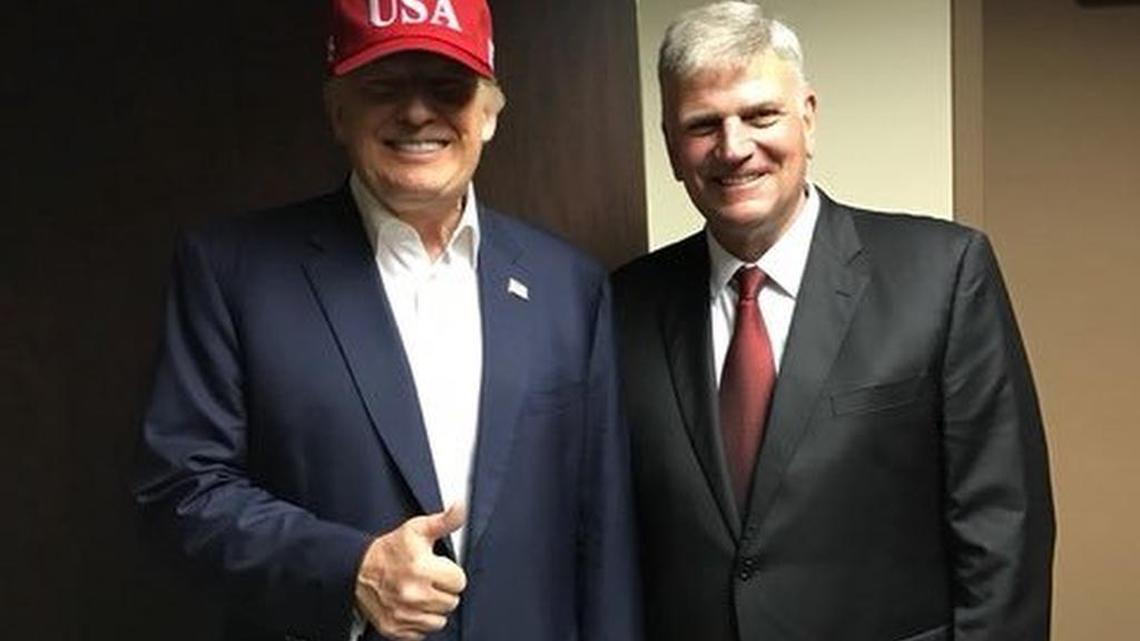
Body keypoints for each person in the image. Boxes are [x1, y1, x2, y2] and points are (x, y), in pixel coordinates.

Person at [131, 1, 640, 640]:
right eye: (384, 85)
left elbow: (605, 529)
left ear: (489, 113)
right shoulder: (230, 271)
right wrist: (350, 569)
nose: (418, 111)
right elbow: (181, 491)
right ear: (338, 111)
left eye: (448, 86)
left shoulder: (570, 285)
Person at [612, 3, 1054, 640]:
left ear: (808, 119)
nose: (734, 147)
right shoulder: (625, 304)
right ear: (672, 148)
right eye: (703, 124)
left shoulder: (943, 275)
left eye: (760, 115)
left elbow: (1004, 529)